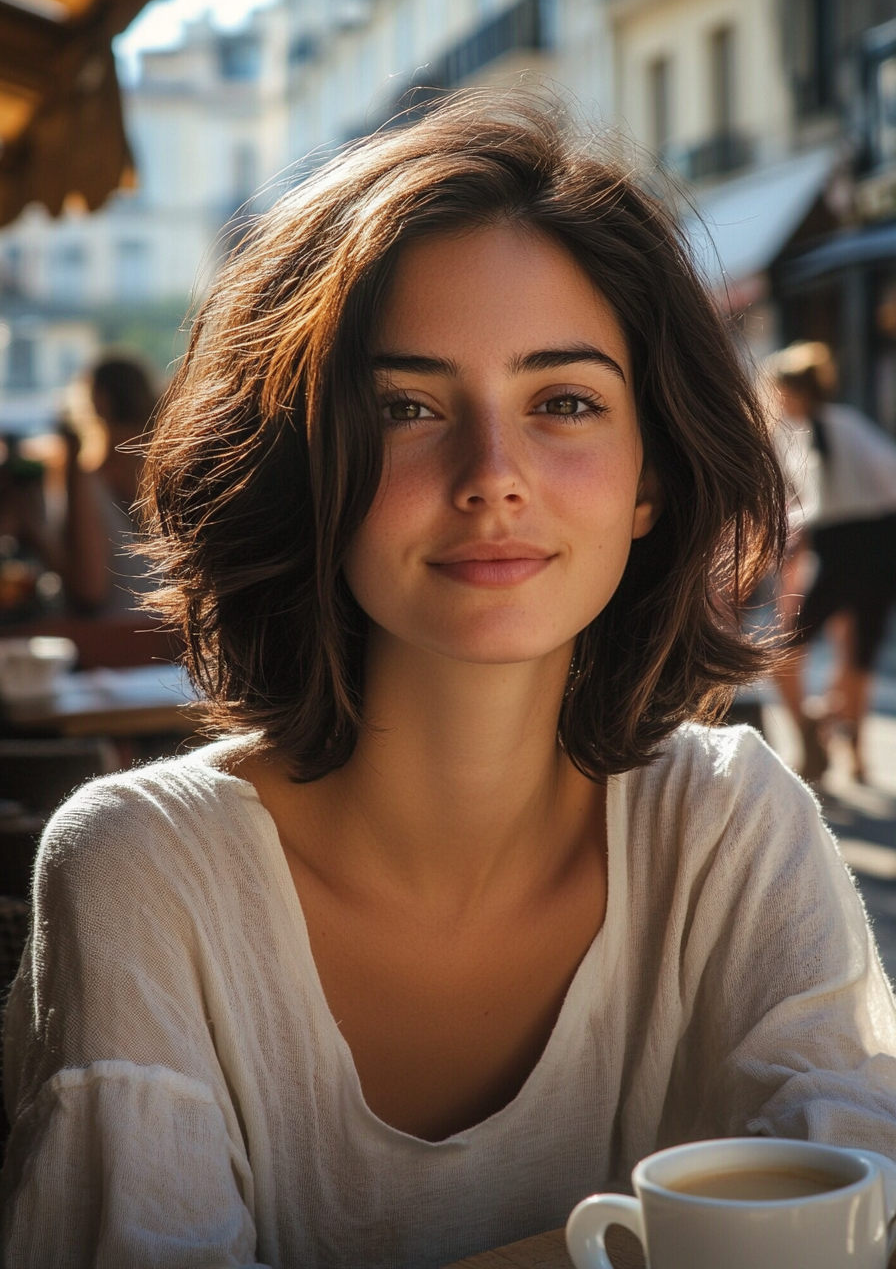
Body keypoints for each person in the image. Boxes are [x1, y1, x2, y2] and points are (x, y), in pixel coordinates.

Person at [4, 94, 896, 1268]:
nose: (493, 476)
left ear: (652, 478)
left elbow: (857, 1201)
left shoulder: (727, 823)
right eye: (407, 407)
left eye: (563, 402)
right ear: (302, 467)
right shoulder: (146, 873)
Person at [770, 341, 896, 783]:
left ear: (797, 391)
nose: (776, 402)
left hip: (859, 545)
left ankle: (835, 743)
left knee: (841, 654)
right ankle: (827, 738)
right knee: (849, 655)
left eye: (780, 392)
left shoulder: (836, 426)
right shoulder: (803, 433)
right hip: (861, 547)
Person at [59, 353, 159, 614]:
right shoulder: (178, 471)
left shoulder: (89, 482)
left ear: (99, 401)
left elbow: (89, 588)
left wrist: (33, 531)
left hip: (120, 643)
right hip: (185, 642)